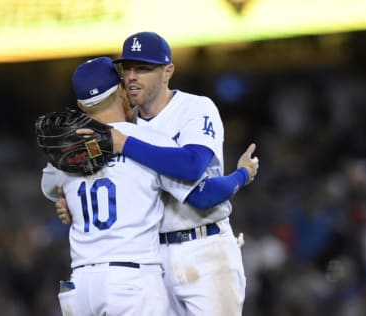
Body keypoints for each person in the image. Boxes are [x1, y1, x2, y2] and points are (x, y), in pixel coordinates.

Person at [41, 57, 258, 316]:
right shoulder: (145, 142)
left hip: (80, 285)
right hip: (129, 281)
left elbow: (48, 187)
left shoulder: (65, 153)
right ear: (121, 90)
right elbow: (202, 196)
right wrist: (243, 173)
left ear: (80, 105)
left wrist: (66, 199)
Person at [110, 31, 250, 315]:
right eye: (127, 68)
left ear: (167, 71)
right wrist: (66, 200)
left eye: (144, 68)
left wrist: (126, 144)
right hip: (152, 258)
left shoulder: (195, 108)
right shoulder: (126, 125)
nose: (132, 76)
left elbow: (192, 165)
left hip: (206, 246)